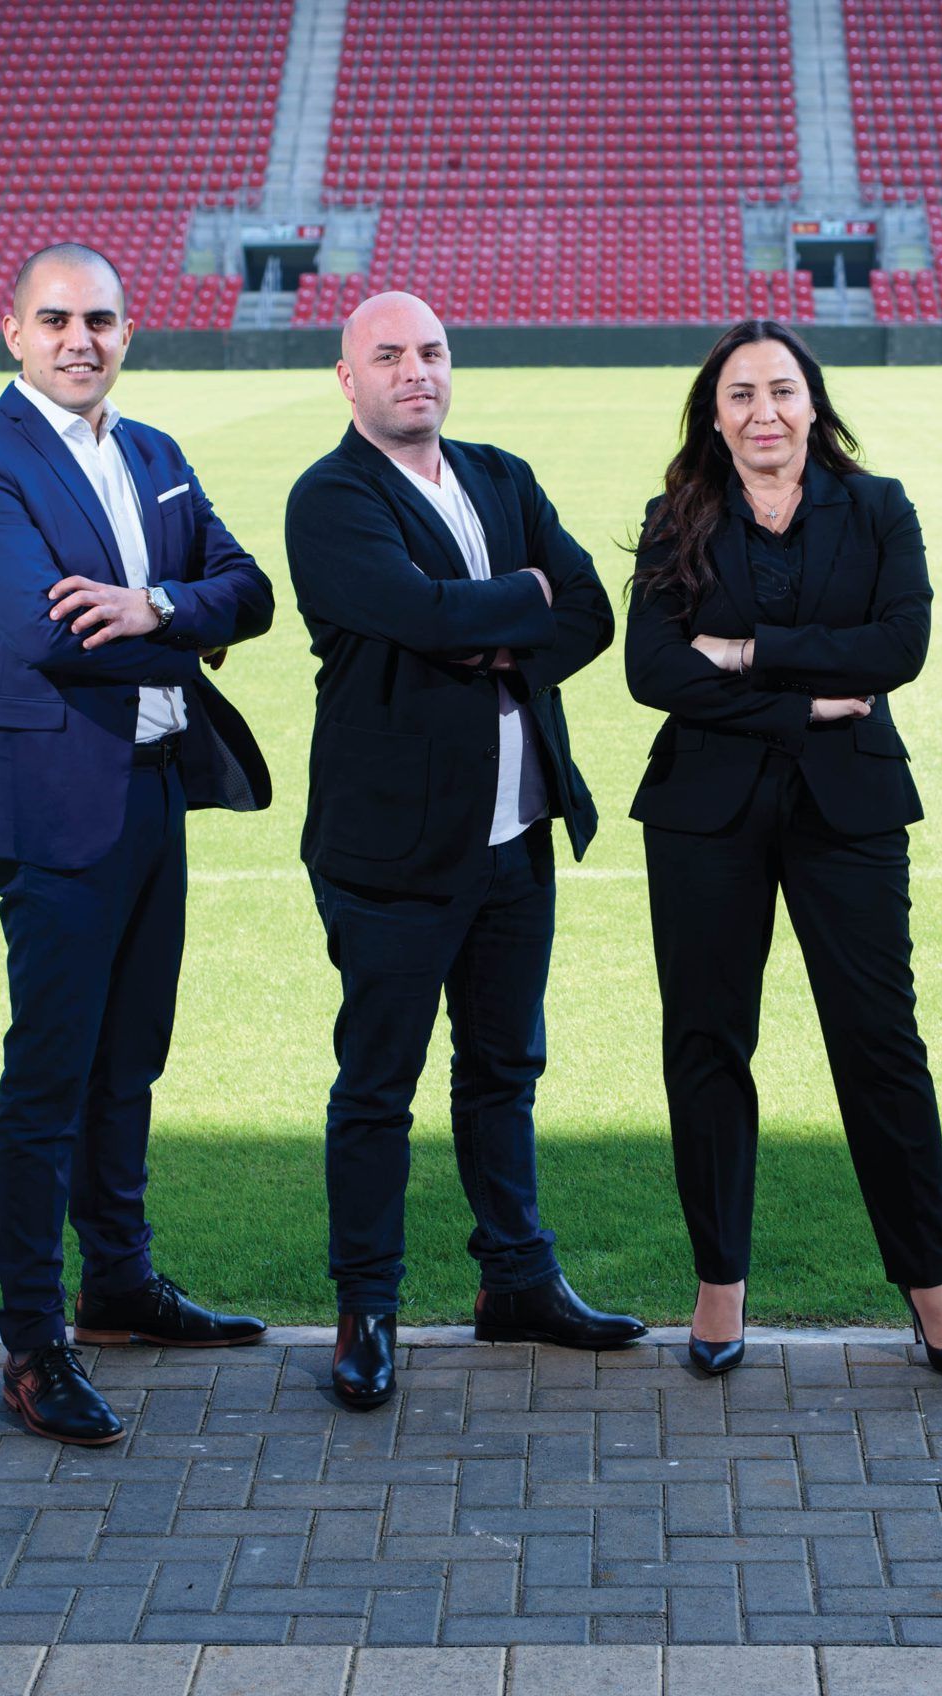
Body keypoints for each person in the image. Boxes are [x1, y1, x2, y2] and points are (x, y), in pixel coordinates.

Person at [0, 244, 279, 1447]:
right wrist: (185, 619)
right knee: (51, 1074)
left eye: (100, 319)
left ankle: (119, 1281)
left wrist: (156, 604)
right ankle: (34, 1341)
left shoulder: (156, 453)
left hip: (154, 786)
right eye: (56, 320)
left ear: (128, 331)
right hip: (53, 801)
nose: (80, 339)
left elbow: (251, 589)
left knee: (131, 1053)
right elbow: (45, 634)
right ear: (13, 333)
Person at [284, 291, 645, 1411]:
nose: (416, 371)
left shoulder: (501, 475)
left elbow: (588, 610)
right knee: (377, 1086)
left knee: (504, 1070)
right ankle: (368, 1307)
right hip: (393, 847)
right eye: (389, 354)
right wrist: (511, 604)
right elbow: (422, 614)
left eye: (432, 351)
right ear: (348, 378)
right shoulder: (331, 497)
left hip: (515, 834)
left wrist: (493, 629)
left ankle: (517, 1281)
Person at [626, 320, 942, 1382]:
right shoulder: (676, 516)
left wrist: (746, 651)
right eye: (740, 394)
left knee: (880, 1045)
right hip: (704, 813)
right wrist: (802, 703)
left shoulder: (878, 507)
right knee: (706, 1042)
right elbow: (652, 669)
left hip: (850, 807)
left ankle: (933, 1292)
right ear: (714, 415)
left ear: (812, 401)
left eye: (781, 389)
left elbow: (899, 646)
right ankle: (718, 1286)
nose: (763, 411)